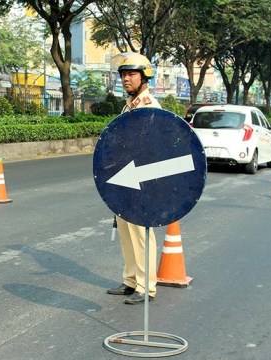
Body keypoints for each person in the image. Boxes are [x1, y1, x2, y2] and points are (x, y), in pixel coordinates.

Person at [106, 52, 161, 305]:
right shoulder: (130, 104)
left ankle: (146, 286)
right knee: (126, 231)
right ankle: (130, 280)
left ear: (144, 76)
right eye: (123, 75)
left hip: (142, 178)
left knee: (140, 233)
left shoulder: (148, 105)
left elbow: (151, 147)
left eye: (131, 74)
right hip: (126, 177)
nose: (126, 79)